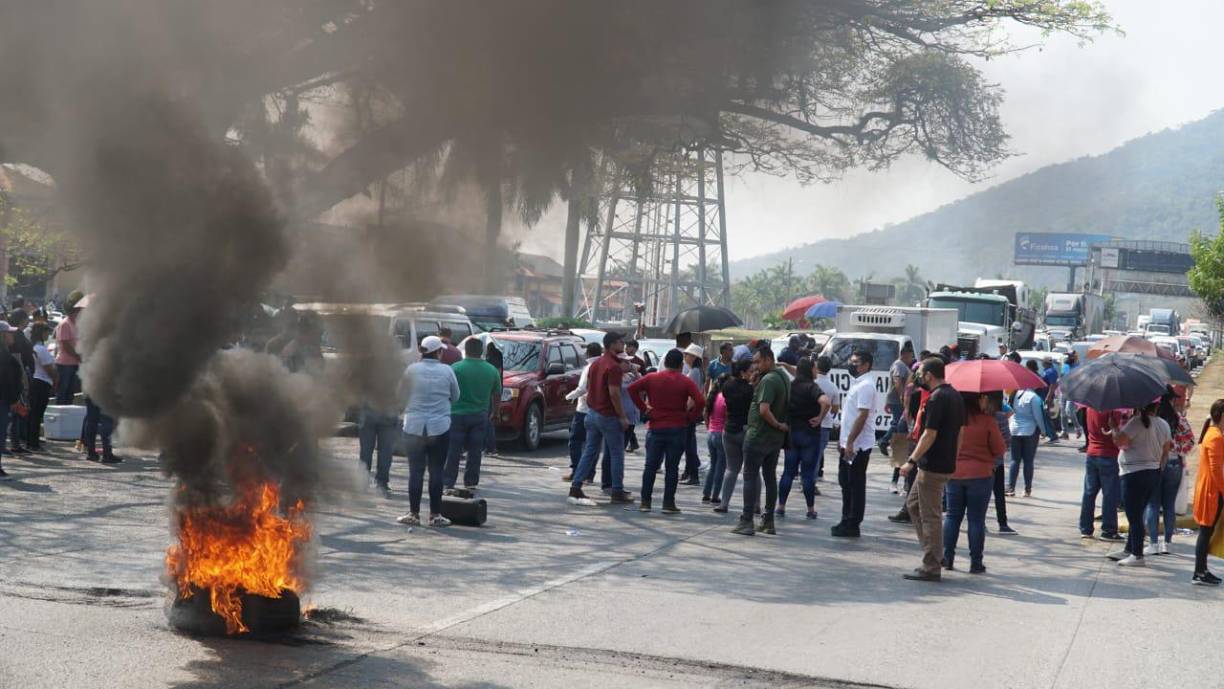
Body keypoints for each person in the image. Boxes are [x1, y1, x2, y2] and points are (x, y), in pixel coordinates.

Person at [900, 357, 965, 581]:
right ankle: (935, 553)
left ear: (929, 375)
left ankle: (932, 565)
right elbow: (961, 432)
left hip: (932, 465)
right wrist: (954, 457)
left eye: (921, 373)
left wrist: (911, 460)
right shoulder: (955, 395)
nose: (919, 377)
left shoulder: (937, 398)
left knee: (930, 516)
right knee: (913, 505)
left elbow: (929, 434)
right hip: (942, 463)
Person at [628, 349, 705, 513]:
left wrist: (644, 408)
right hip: (677, 427)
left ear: (665, 362)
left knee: (650, 466)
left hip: (655, 426)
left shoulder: (652, 378)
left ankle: (645, 502)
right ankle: (668, 503)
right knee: (672, 467)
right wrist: (690, 417)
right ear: (681, 364)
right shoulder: (685, 381)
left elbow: (632, 389)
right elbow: (700, 401)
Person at [397, 336, 460, 527]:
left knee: (415, 471)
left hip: (413, 427)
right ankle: (435, 515)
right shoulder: (447, 370)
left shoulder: (411, 370)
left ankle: (413, 514)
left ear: (422, 351)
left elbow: (400, 395)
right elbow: (456, 396)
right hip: (439, 427)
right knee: (436, 471)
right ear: (439, 352)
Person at [567, 332, 633, 506]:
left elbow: (590, 387)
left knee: (590, 451)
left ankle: (576, 486)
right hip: (608, 415)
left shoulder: (596, 364)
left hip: (592, 413)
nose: (623, 345)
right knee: (617, 453)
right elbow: (614, 394)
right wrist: (622, 416)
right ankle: (617, 490)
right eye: (620, 342)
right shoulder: (613, 367)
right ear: (612, 344)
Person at [941, 392, 1003, 574]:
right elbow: (999, 448)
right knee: (976, 519)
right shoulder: (987, 421)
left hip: (954, 473)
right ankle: (976, 562)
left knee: (952, 516)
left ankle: (947, 558)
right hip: (981, 475)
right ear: (979, 400)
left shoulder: (952, 420)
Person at [732, 346, 789, 536]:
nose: (755, 366)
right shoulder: (782, 377)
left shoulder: (769, 380)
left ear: (768, 360)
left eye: (758, 361)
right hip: (774, 439)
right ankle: (768, 520)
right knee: (770, 477)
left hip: (759, 436)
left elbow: (764, 410)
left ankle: (747, 520)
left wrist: (778, 424)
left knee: (750, 477)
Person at [1107, 402, 1172, 567]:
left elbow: (1119, 441)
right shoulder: (1163, 424)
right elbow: (1166, 451)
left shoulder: (1137, 422)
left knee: (1134, 516)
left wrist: (1114, 427)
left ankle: (1137, 554)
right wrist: (1159, 469)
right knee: (1137, 512)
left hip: (1134, 473)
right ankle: (1130, 548)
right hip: (1152, 472)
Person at [445, 337, 502, 491]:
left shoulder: (455, 368)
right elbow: (497, 393)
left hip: (456, 414)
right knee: (475, 451)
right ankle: (470, 482)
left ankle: (448, 482)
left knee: (453, 450)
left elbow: (446, 390)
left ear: (466, 350)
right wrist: (495, 412)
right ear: (481, 351)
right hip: (480, 415)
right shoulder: (491, 370)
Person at [777, 357, 830, 520]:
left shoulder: (791, 386)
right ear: (810, 370)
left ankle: (781, 506)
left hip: (792, 434)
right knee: (807, 475)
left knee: (788, 472)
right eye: (814, 368)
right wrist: (820, 417)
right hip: (810, 436)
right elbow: (826, 402)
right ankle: (810, 509)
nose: (816, 371)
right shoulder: (812, 387)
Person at [832, 350, 877, 538]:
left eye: (856, 362)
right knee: (845, 482)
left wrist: (850, 442)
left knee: (855, 484)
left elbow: (862, 415)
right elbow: (849, 416)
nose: (852, 365)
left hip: (858, 445)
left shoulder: (866, 385)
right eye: (851, 362)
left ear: (866, 365)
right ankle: (846, 519)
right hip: (849, 443)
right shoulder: (857, 383)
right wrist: (843, 440)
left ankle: (853, 522)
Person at [1146, 388, 1192, 555]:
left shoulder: (1151, 421)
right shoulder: (1179, 419)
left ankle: (1153, 543)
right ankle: (1167, 543)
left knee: (1153, 504)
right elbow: (1190, 441)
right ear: (1171, 400)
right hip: (1174, 464)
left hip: (1154, 464)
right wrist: (1177, 449)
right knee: (1169, 505)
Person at [564, 343, 611, 483]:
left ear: (588, 353)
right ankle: (589, 474)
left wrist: (569, 397)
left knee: (575, 441)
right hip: (598, 410)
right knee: (593, 444)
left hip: (584, 409)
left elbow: (582, 388)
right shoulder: (604, 365)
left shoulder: (590, 367)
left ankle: (577, 471)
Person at [1079, 406, 1127, 541]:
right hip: (1108, 455)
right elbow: (1118, 435)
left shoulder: (1089, 408)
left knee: (1089, 493)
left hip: (1092, 453)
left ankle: (1085, 528)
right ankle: (1109, 530)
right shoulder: (1113, 410)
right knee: (1110, 494)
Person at [714, 360, 754, 513]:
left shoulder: (727, 386)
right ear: (742, 373)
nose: (753, 373)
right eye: (750, 371)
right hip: (745, 429)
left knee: (731, 469)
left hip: (729, 428)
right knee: (752, 470)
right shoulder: (750, 389)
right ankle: (756, 504)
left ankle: (724, 503)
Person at [1193, 399, 1224, 585]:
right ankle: (1199, 572)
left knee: (1207, 531)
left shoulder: (1214, 433)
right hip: (1212, 491)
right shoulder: (1215, 436)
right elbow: (1216, 470)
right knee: (1205, 532)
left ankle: (1202, 570)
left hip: (1211, 489)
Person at [1007, 375, 1045, 498]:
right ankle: (1027, 489)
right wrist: (1043, 430)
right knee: (1028, 461)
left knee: (1014, 460)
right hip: (1030, 431)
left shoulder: (1014, 394)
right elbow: (1038, 417)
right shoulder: (1034, 398)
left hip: (1014, 430)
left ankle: (1011, 488)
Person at [989, 391, 1018, 535]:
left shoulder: (975, 416)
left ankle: (979, 522)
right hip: (996, 461)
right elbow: (1007, 439)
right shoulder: (1000, 416)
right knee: (999, 493)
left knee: (980, 494)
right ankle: (1003, 524)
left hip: (978, 461)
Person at [884, 343, 915, 471]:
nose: (911, 359)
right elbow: (897, 381)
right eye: (910, 356)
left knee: (897, 423)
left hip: (897, 399)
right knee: (897, 422)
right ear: (904, 355)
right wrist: (902, 397)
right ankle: (884, 441)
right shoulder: (899, 365)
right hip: (897, 400)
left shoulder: (902, 365)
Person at [26, 322, 56, 451]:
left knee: (34, 414)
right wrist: (56, 379)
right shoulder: (41, 349)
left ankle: (31, 441)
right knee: (37, 414)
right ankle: (33, 443)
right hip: (42, 382)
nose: (48, 334)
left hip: (36, 381)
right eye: (46, 331)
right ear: (41, 333)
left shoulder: (35, 347)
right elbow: (49, 368)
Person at [6, 309, 32, 454]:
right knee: (15, 413)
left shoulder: (19, 335)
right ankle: (15, 443)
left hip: (19, 379)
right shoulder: (12, 352)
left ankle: (16, 442)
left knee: (16, 414)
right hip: (16, 383)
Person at [0, 324, 24, 480]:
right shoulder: (4, 356)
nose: (12, 335)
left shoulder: (6, 354)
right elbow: (8, 381)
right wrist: (14, 399)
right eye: (9, 333)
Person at [680, 343, 705, 485]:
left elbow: (692, 395)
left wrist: (686, 410)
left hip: (689, 410)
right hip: (692, 410)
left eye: (687, 355)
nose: (685, 357)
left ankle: (692, 474)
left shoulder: (695, 372)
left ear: (694, 357)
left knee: (689, 444)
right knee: (689, 442)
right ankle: (688, 471)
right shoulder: (696, 371)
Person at [53, 290, 84, 404]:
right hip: (64, 364)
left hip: (74, 364)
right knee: (62, 391)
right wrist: (77, 355)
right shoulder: (65, 324)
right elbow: (65, 345)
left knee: (70, 392)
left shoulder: (76, 324)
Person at [702, 373, 729, 505]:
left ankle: (706, 494)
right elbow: (728, 417)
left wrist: (708, 426)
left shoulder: (713, 397)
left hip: (711, 433)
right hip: (721, 434)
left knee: (713, 465)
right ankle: (715, 495)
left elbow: (705, 414)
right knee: (721, 466)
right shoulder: (725, 399)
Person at [813, 355, 841, 482]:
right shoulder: (833, 387)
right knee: (817, 455)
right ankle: (811, 482)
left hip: (808, 423)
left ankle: (805, 478)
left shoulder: (812, 383)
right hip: (825, 425)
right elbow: (835, 408)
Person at [623, 340, 646, 452]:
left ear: (636, 349)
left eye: (632, 347)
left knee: (630, 422)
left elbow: (644, 380)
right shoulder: (621, 359)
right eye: (628, 346)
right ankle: (633, 442)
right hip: (623, 395)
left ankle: (631, 442)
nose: (629, 349)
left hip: (633, 396)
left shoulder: (640, 362)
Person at [1059, 352, 1081, 440]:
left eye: (1070, 356)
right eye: (1067, 356)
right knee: (1063, 413)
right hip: (1063, 390)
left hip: (1072, 391)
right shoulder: (1065, 365)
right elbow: (1062, 376)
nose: (1068, 358)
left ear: (1074, 357)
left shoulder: (1078, 366)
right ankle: (1064, 432)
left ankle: (1078, 429)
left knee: (1069, 411)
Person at [1038, 359, 1060, 444]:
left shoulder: (1051, 371)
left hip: (1046, 397)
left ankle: (1053, 437)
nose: (1042, 363)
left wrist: (1049, 396)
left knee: (1046, 416)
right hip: (1043, 395)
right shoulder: (1046, 370)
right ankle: (1049, 434)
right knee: (1044, 416)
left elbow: (1053, 384)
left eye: (1043, 362)